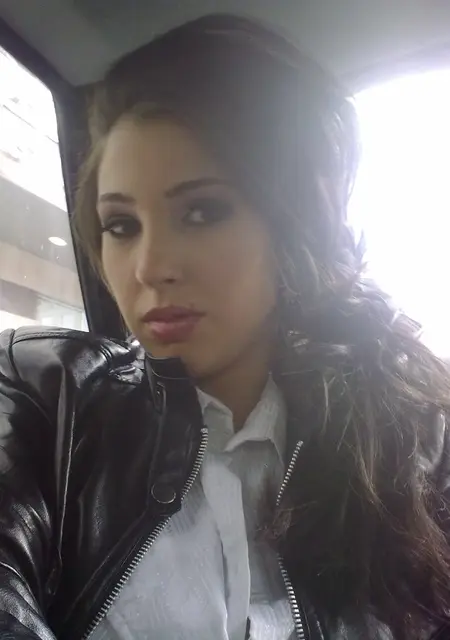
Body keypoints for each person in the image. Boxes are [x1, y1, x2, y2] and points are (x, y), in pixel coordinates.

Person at [0, 13, 449, 640]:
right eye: (121, 226)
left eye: (202, 212)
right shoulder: (50, 398)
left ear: (293, 225)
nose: (149, 267)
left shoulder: (415, 435)